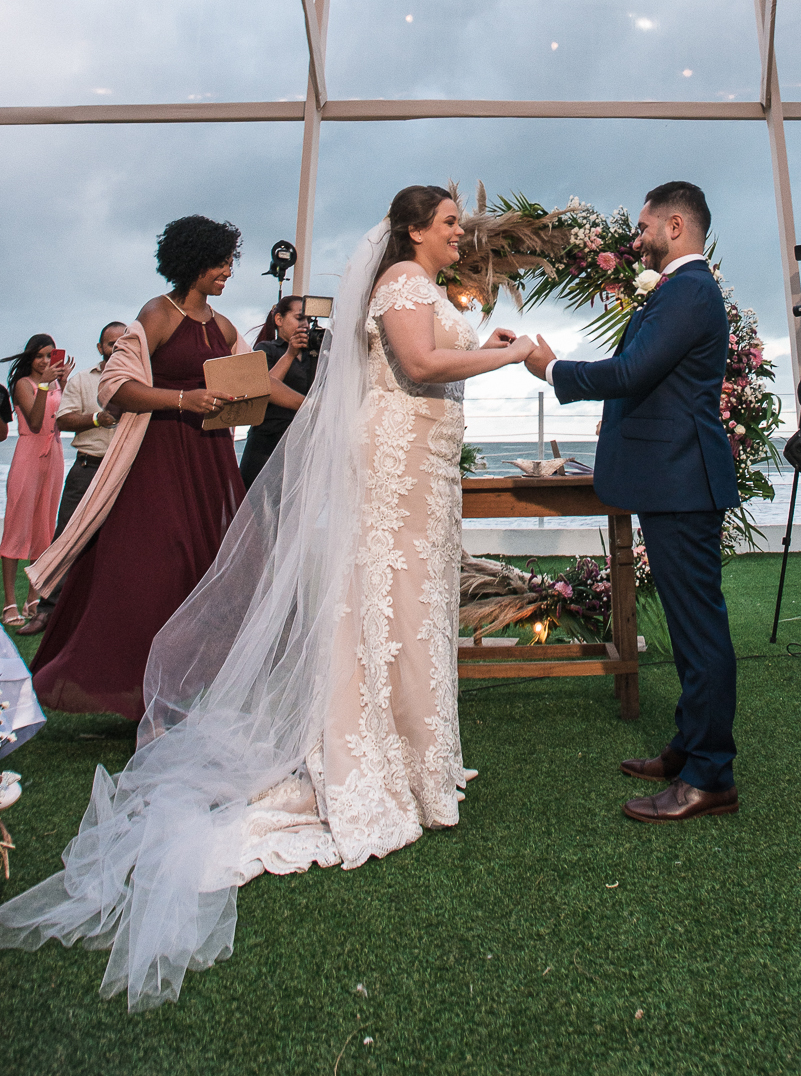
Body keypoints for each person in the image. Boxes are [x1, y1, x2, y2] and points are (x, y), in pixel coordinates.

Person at [0, 185, 534, 1011]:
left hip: (387, 462)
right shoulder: (392, 287)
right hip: (335, 461)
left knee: (408, 612)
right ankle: (365, 755)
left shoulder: (407, 291)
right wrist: (505, 355)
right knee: (375, 610)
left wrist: (484, 346)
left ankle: (417, 754)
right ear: (413, 231)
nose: (463, 232)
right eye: (451, 222)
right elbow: (419, 366)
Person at [525, 181, 740, 823]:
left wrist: (551, 368)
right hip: (671, 478)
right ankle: (688, 747)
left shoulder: (690, 290)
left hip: (683, 482)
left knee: (700, 632)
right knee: (688, 624)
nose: (637, 238)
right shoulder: (679, 290)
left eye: (645, 226)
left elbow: (631, 374)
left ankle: (710, 776)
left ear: (675, 226)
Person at [28, 217, 251, 719]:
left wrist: (313, 403)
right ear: (192, 261)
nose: (228, 271)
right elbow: (115, 386)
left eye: (230, 261)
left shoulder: (225, 327)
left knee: (208, 571)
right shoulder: (157, 313)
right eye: (220, 261)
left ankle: (186, 691)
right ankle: (132, 690)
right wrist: (182, 399)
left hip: (210, 461)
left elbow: (253, 383)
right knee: (154, 571)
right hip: (160, 457)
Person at [18, 322, 127, 637]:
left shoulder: (141, 382)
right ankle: (46, 612)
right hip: (87, 468)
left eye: (123, 343)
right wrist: (98, 417)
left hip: (126, 472)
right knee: (65, 540)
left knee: (120, 544)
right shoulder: (82, 380)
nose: (117, 348)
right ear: (99, 348)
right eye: (110, 344)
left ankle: (108, 615)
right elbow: (62, 420)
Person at [0, 336, 74, 628]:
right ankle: (9, 603)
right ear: (30, 358)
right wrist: (44, 383)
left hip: (54, 454)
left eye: (49, 355)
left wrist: (64, 384)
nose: (45, 361)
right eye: (40, 356)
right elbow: (33, 421)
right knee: (17, 527)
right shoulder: (23, 385)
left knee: (45, 528)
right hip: (29, 454)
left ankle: (34, 597)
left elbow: (66, 414)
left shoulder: (54, 383)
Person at [239, 296, 310, 490]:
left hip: (301, 445)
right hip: (266, 446)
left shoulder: (316, 355)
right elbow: (264, 386)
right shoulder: (267, 349)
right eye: (300, 318)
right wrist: (290, 354)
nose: (305, 325)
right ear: (279, 320)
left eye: (309, 320)